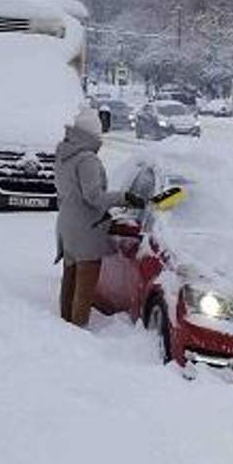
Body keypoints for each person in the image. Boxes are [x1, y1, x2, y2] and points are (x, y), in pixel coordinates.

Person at [54, 108, 143, 327]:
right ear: (93, 134)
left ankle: (63, 324)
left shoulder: (64, 153)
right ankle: (76, 329)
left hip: (66, 223)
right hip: (86, 227)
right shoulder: (87, 160)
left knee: (70, 278)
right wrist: (125, 198)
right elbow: (94, 197)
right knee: (85, 286)